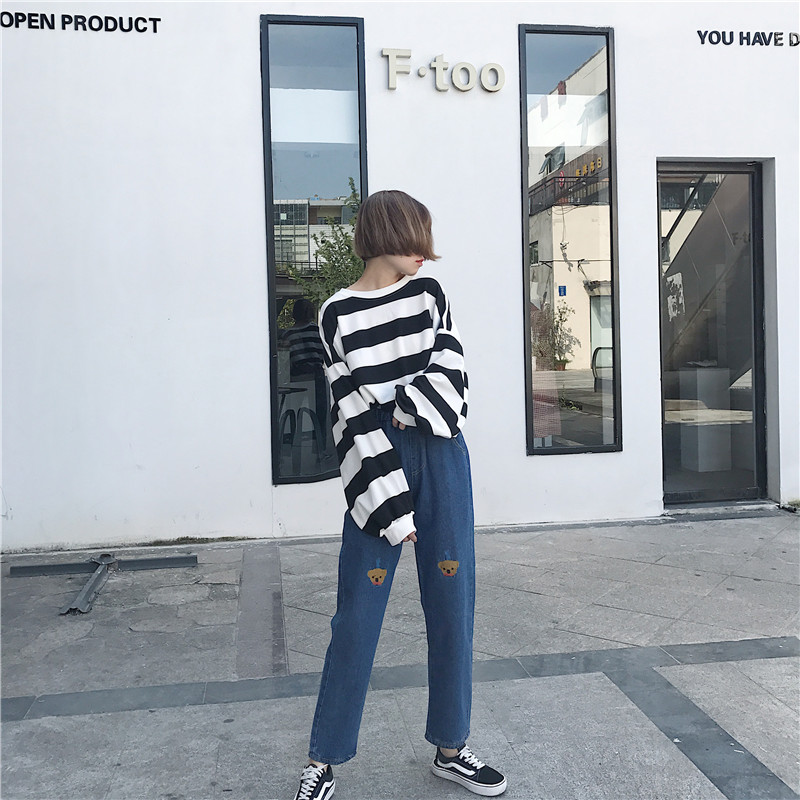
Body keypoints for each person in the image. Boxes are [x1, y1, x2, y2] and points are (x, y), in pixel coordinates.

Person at [291, 190, 507, 800]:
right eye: (417, 238)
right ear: (388, 233)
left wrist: (406, 409)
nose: (425, 253)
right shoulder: (336, 315)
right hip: (374, 461)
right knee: (356, 614)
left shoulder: (429, 294)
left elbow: (452, 369)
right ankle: (323, 760)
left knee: (452, 603)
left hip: (440, 455)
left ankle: (452, 748)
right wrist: (388, 501)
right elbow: (350, 412)